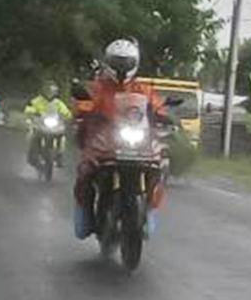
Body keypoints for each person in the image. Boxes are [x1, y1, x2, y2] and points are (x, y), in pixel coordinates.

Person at [72, 39, 166, 239]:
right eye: (118, 62)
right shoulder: (97, 87)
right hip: (103, 140)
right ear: (108, 62)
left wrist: (165, 114)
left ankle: (149, 212)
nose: (122, 68)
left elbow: (157, 106)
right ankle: (85, 214)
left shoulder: (142, 89)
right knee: (85, 172)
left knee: (158, 168)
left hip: (137, 142)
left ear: (135, 64)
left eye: (127, 63)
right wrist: (83, 109)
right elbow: (82, 103)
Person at [24, 82, 71, 167]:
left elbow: (66, 112)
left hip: (54, 126)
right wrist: (34, 112)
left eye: (53, 91)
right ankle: (32, 155)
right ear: (44, 91)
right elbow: (28, 109)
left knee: (62, 138)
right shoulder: (37, 100)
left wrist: (66, 115)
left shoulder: (58, 103)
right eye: (48, 91)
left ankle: (59, 156)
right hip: (39, 125)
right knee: (31, 135)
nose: (50, 93)